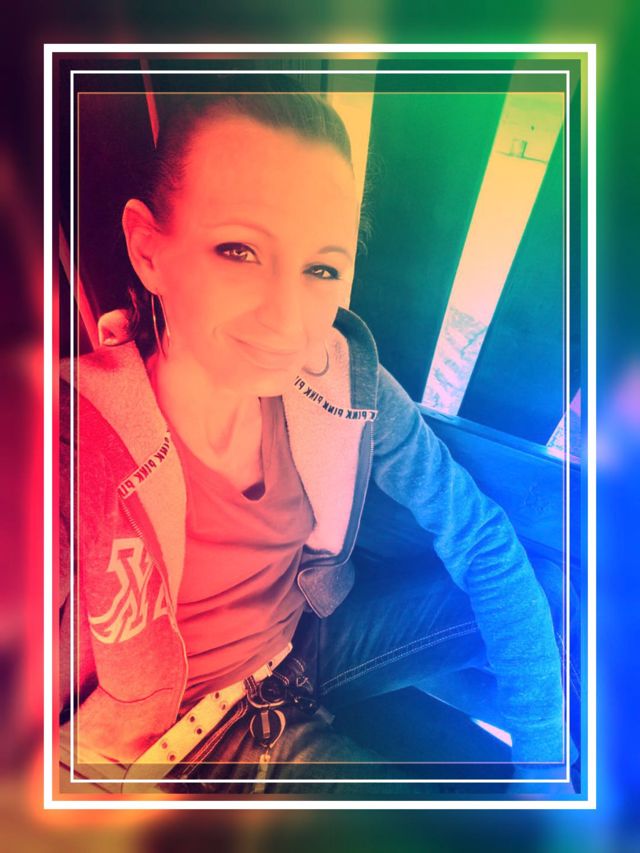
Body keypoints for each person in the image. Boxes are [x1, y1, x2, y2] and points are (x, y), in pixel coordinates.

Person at [59, 84, 570, 798]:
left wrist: (545, 772)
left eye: (321, 267)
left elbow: (481, 541)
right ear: (149, 251)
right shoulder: (74, 443)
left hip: (304, 653)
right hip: (184, 748)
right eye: (239, 250)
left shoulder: (341, 386)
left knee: (552, 594)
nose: (287, 316)